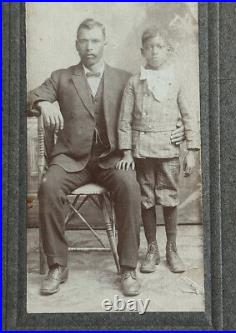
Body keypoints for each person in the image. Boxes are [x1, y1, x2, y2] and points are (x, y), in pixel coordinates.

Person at [28, 19, 185, 296]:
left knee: (130, 186)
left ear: (104, 43)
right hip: (70, 160)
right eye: (84, 41)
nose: (89, 47)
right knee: (48, 186)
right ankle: (57, 265)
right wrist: (42, 102)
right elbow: (25, 98)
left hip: (112, 160)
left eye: (95, 41)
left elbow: (159, 104)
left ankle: (127, 268)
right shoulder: (61, 77)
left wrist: (180, 127)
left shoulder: (125, 78)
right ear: (76, 44)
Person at [117, 27, 200, 274]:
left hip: (169, 149)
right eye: (150, 47)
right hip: (142, 150)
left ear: (169, 50)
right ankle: (152, 248)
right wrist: (126, 152)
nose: (154, 51)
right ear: (142, 51)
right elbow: (124, 120)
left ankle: (171, 248)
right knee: (147, 198)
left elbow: (188, 116)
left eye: (159, 47)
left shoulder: (177, 80)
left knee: (169, 196)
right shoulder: (134, 81)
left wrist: (192, 148)